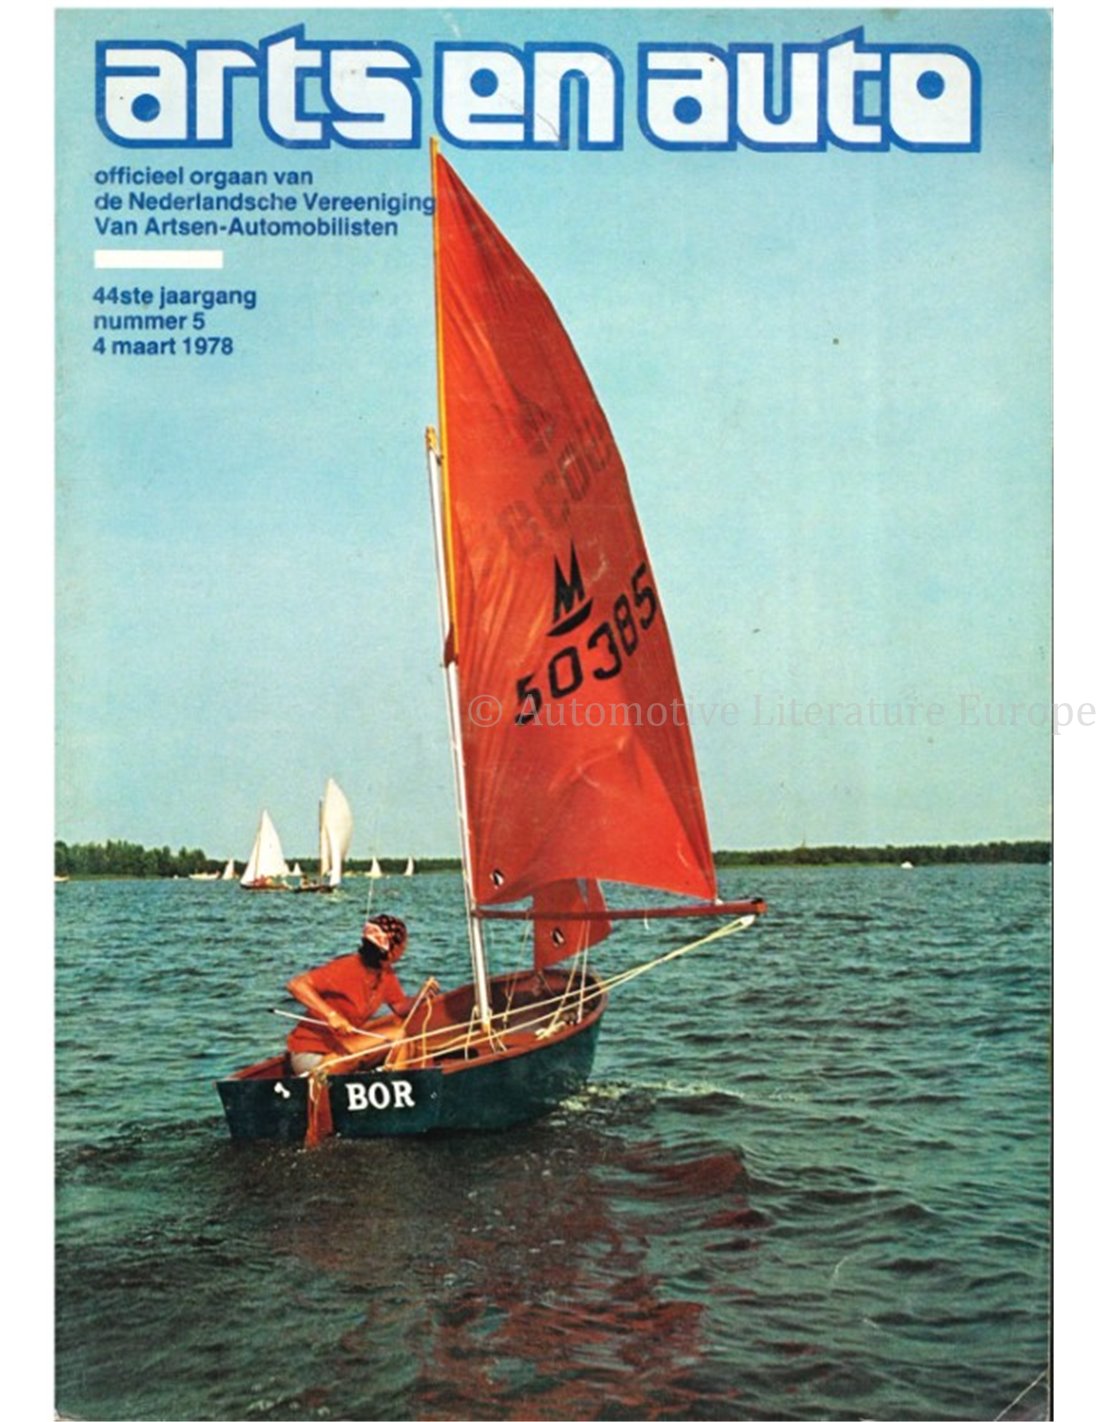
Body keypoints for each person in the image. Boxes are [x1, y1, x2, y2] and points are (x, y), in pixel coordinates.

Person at [285, 914, 437, 1075]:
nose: (405, 948)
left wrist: (421, 997)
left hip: (341, 1048)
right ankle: (395, 1081)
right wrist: (331, 1015)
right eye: (403, 943)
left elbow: (399, 1007)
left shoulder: (385, 973)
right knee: (397, 1035)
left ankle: (394, 1080)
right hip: (313, 1055)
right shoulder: (347, 967)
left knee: (401, 1034)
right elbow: (296, 985)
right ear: (393, 949)